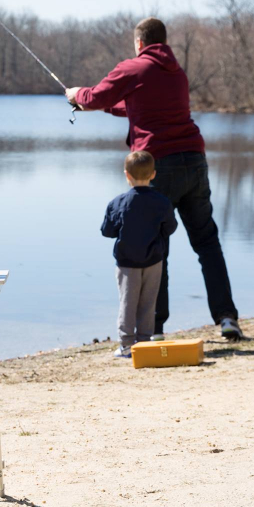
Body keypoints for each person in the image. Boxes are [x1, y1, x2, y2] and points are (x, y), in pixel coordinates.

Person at [66, 17, 243, 340]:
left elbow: (96, 96)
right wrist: (100, 107)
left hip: (157, 166)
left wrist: (77, 94)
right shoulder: (176, 73)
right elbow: (134, 105)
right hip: (195, 162)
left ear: (139, 43)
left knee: (156, 246)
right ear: (163, 42)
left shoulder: (132, 68)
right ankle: (227, 318)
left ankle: (156, 328)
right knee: (207, 242)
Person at [101, 151, 178, 357]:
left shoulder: (117, 203)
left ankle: (126, 344)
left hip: (126, 262)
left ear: (127, 175)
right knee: (148, 302)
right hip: (154, 260)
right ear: (153, 174)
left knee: (128, 302)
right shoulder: (162, 202)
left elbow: (107, 231)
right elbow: (170, 228)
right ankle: (144, 342)